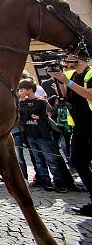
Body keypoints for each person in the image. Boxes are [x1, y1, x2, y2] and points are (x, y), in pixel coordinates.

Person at [48, 52, 92, 216]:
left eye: (69, 58)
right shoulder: (71, 75)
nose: (65, 62)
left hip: (91, 123)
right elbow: (65, 96)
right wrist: (59, 81)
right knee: (77, 161)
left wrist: (68, 81)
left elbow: (90, 95)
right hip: (80, 126)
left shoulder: (90, 73)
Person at [17, 79, 66, 192]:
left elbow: (30, 112)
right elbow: (22, 117)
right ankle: (46, 182)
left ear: (29, 89)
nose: (20, 91)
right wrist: (23, 104)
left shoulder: (40, 101)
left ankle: (59, 184)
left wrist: (27, 110)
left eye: (22, 89)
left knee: (51, 160)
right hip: (30, 135)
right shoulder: (22, 102)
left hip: (43, 135)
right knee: (38, 161)